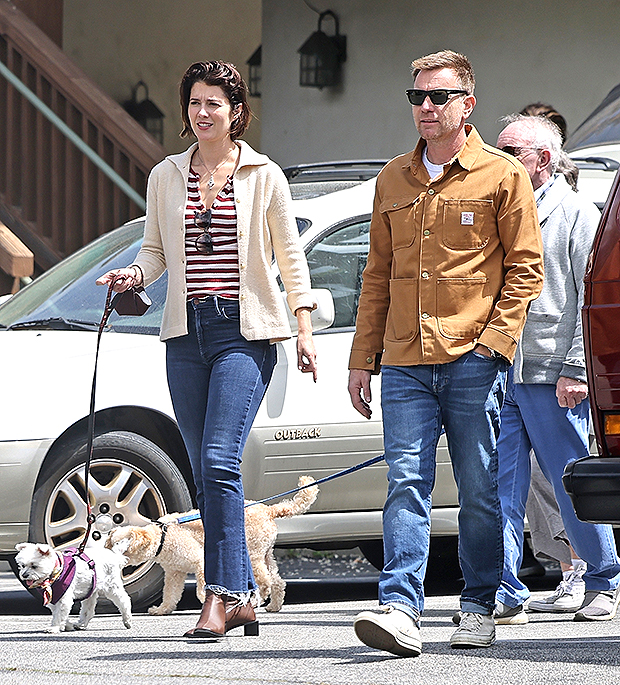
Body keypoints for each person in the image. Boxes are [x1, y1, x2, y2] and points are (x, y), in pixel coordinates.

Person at [97, 60, 317, 638]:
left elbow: (291, 258)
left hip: (244, 333)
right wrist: (133, 278)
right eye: (194, 103)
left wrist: (303, 326)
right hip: (185, 334)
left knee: (220, 459)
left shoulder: (264, 174)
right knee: (207, 469)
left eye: (214, 104)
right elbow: (155, 252)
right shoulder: (166, 174)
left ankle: (220, 596)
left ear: (236, 112)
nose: (202, 113)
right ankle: (242, 595)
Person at [347, 50, 544, 657]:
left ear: (467, 103)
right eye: (417, 98)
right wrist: (362, 358)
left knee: (479, 486)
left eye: (439, 97)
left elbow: (525, 269)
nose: (426, 108)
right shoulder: (391, 179)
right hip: (405, 359)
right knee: (406, 482)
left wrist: (494, 344)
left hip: (471, 357)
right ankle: (399, 606)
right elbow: (376, 273)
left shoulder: (502, 175)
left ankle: (480, 602)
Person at [494, 114, 620, 623]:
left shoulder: (575, 214)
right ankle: (502, 587)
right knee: (494, 483)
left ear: (542, 159)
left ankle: (603, 578)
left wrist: (576, 368)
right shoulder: (497, 209)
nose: (497, 160)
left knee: (570, 480)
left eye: (509, 152)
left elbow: (591, 298)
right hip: (497, 366)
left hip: (552, 373)